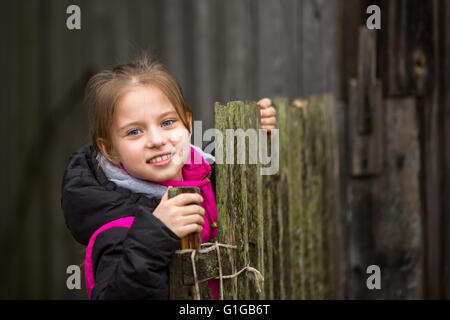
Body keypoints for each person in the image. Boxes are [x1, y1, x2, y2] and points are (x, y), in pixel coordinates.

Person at [61, 54, 277, 299]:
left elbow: (220, 176)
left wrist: (255, 136)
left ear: (187, 123)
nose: (157, 140)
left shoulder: (206, 177)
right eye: (134, 131)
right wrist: (155, 234)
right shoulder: (116, 226)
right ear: (110, 150)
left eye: (167, 122)